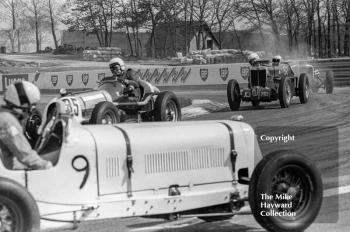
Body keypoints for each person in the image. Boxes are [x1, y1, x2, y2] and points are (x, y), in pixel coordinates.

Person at [0, 81, 52, 170]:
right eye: (30, 105)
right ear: (21, 102)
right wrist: (45, 165)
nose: (31, 108)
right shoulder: (7, 120)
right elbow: (25, 155)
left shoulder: (3, 114)